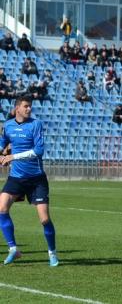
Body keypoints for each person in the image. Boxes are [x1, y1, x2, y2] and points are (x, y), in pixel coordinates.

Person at [0, 96, 58, 266]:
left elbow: (39, 151)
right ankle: (13, 249)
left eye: (30, 106)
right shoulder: (8, 125)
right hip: (16, 177)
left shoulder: (35, 124)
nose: (29, 109)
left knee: (44, 219)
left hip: (36, 179)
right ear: (17, 108)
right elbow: (3, 141)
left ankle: (52, 253)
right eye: (26, 106)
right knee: (2, 208)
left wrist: (12, 156)